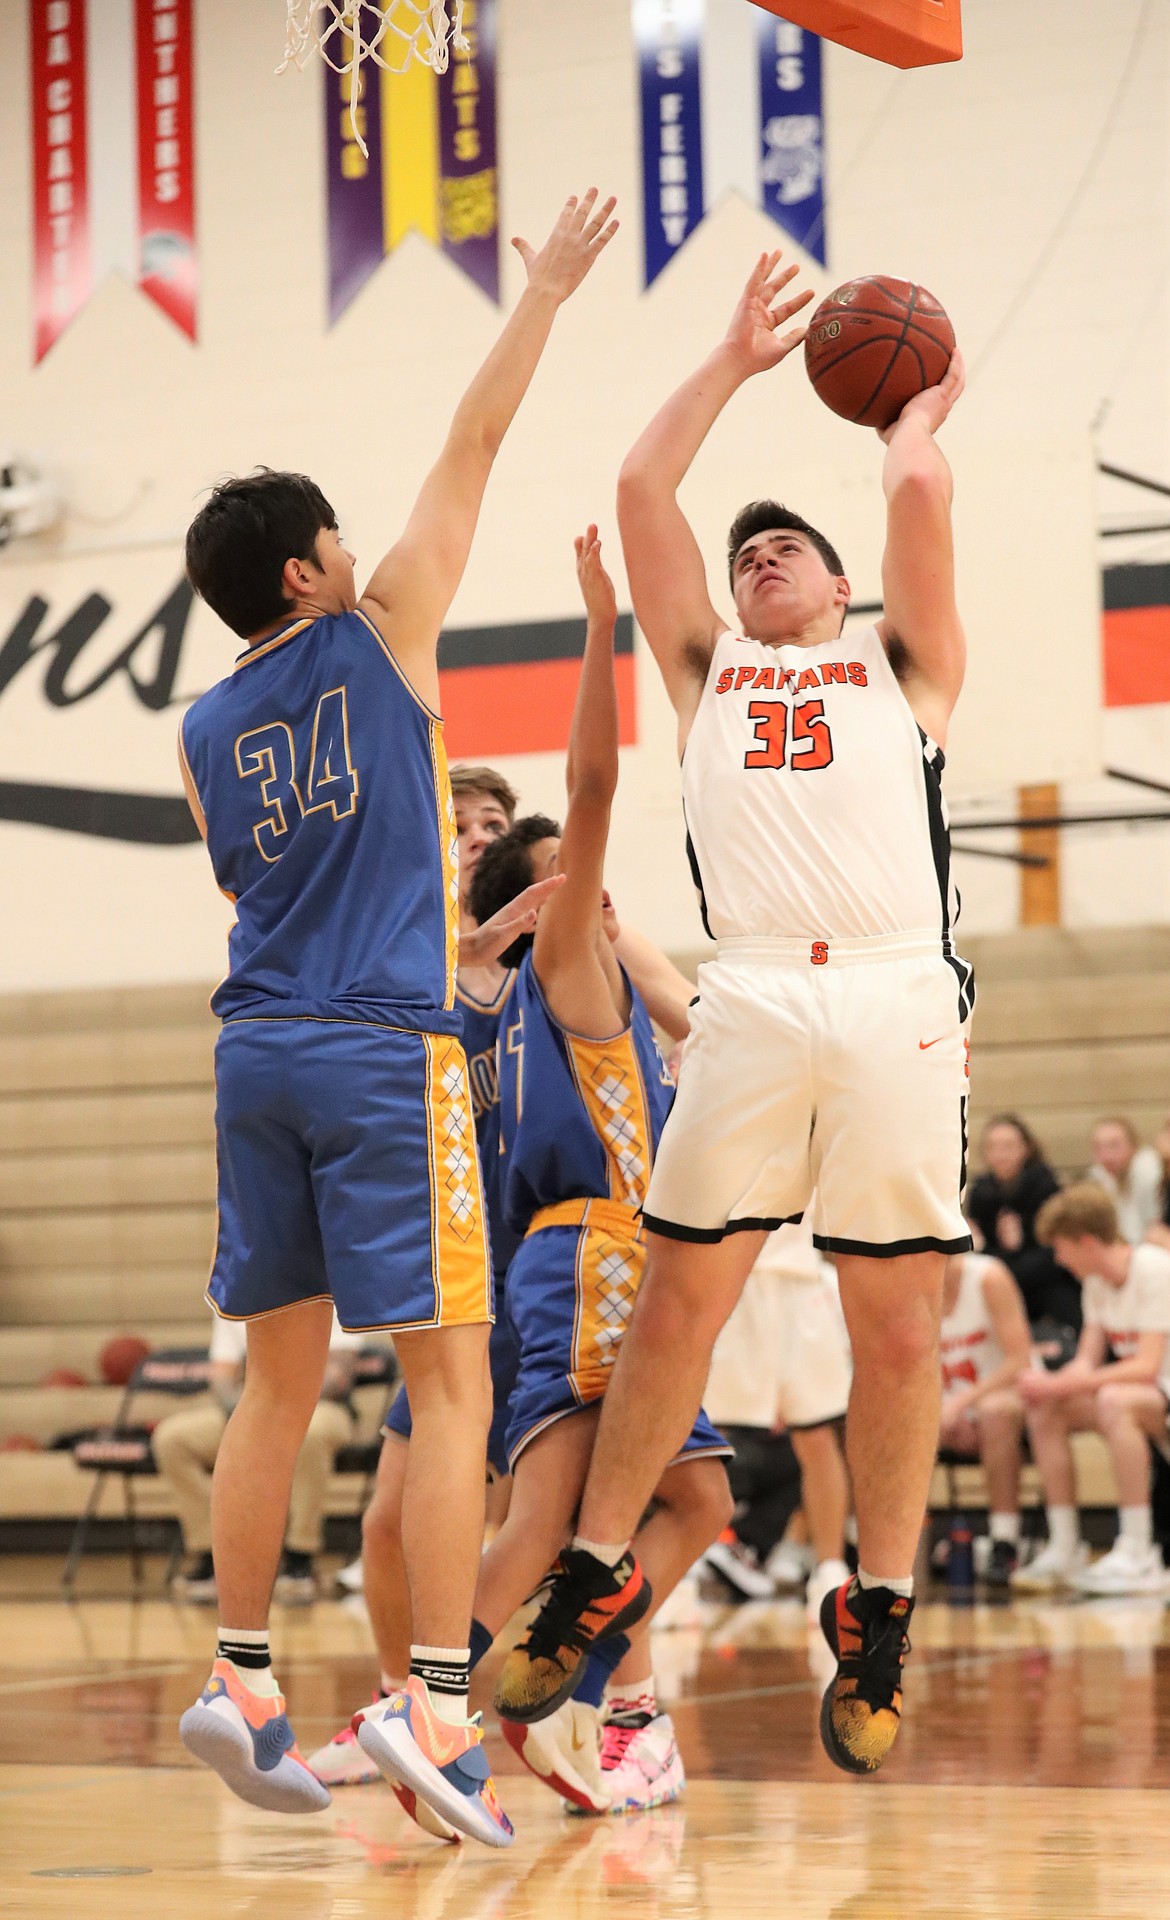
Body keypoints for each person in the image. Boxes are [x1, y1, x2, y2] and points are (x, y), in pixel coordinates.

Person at [173, 189, 617, 1845]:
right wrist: (550, 292)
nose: (372, 546)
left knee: (274, 1385)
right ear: (309, 569)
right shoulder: (375, 634)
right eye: (343, 538)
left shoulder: (208, 724)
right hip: (380, 1046)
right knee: (449, 1386)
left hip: (253, 1049)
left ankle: (242, 1676)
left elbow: (249, 884)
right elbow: (476, 437)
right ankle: (438, 1692)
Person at [495, 246, 970, 1777]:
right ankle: (595, 1567)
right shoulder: (703, 673)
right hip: (751, 991)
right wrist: (731, 363)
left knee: (893, 1323)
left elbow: (919, 506)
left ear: (840, 590)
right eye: (747, 546)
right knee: (679, 1303)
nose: (761, 554)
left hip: (898, 985)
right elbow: (645, 488)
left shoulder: (904, 670)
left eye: (789, 548)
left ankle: (879, 1610)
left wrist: (907, 433)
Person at [1012, 1184, 1170, 1597]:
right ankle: (1065, 1545)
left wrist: (1072, 1381)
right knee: (1047, 1409)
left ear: (1085, 1241)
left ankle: (1138, 1550)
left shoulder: (1154, 1268)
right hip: (1149, 1397)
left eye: (1062, 1249)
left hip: (1157, 1388)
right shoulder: (1096, 1284)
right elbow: (1087, 1360)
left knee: (1114, 1400)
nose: (1059, 1260)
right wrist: (1051, 1385)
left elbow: (1147, 1365)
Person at [702, 1218, 851, 1619]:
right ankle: (683, 1568)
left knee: (817, 1432)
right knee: (703, 1430)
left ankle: (830, 1568)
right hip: (730, 1271)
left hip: (800, 1279)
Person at [161, 1311, 360, 1605]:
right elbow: (221, 1378)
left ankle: (299, 1557)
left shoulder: (334, 1291)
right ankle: (214, 1555)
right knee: (173, 1440)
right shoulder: (236, 1293)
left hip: (321, 1406)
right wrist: (248, 1412)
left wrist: (289, 1407)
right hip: (254, 1406)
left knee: (311, 1433)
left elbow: (338, 1375)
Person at [937, 1250, 1031, 1586]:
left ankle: (1005, 1540)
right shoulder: (914, 1287)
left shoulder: (988, 1278)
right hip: (947, 1409)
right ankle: (890, 1550)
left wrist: (963, 1402)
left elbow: (1020, 1360)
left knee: (995, 1412)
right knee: (897, 1425)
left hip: (999, 1398)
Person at [966, 1115, 1080, 1336]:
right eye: (993, 1147)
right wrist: (998, 1251)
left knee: (1062, 1299)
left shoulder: (1046, 1186)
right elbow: (979, 1257)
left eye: (1008, 1146)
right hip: (1001, 1281)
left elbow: (1056, 1256)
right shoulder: (980, 1192)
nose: (1000, 1155)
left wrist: (1011, 1251)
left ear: (1025, 1149)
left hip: (1046, 1281)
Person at [1087, 1117, 1165, 1246]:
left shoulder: (1150, 1172)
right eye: (1098, 1148)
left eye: (1114, 1145)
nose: (1106, 1155)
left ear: (1133, 1145)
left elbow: (1151, 1231)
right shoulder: (1099, 1176)